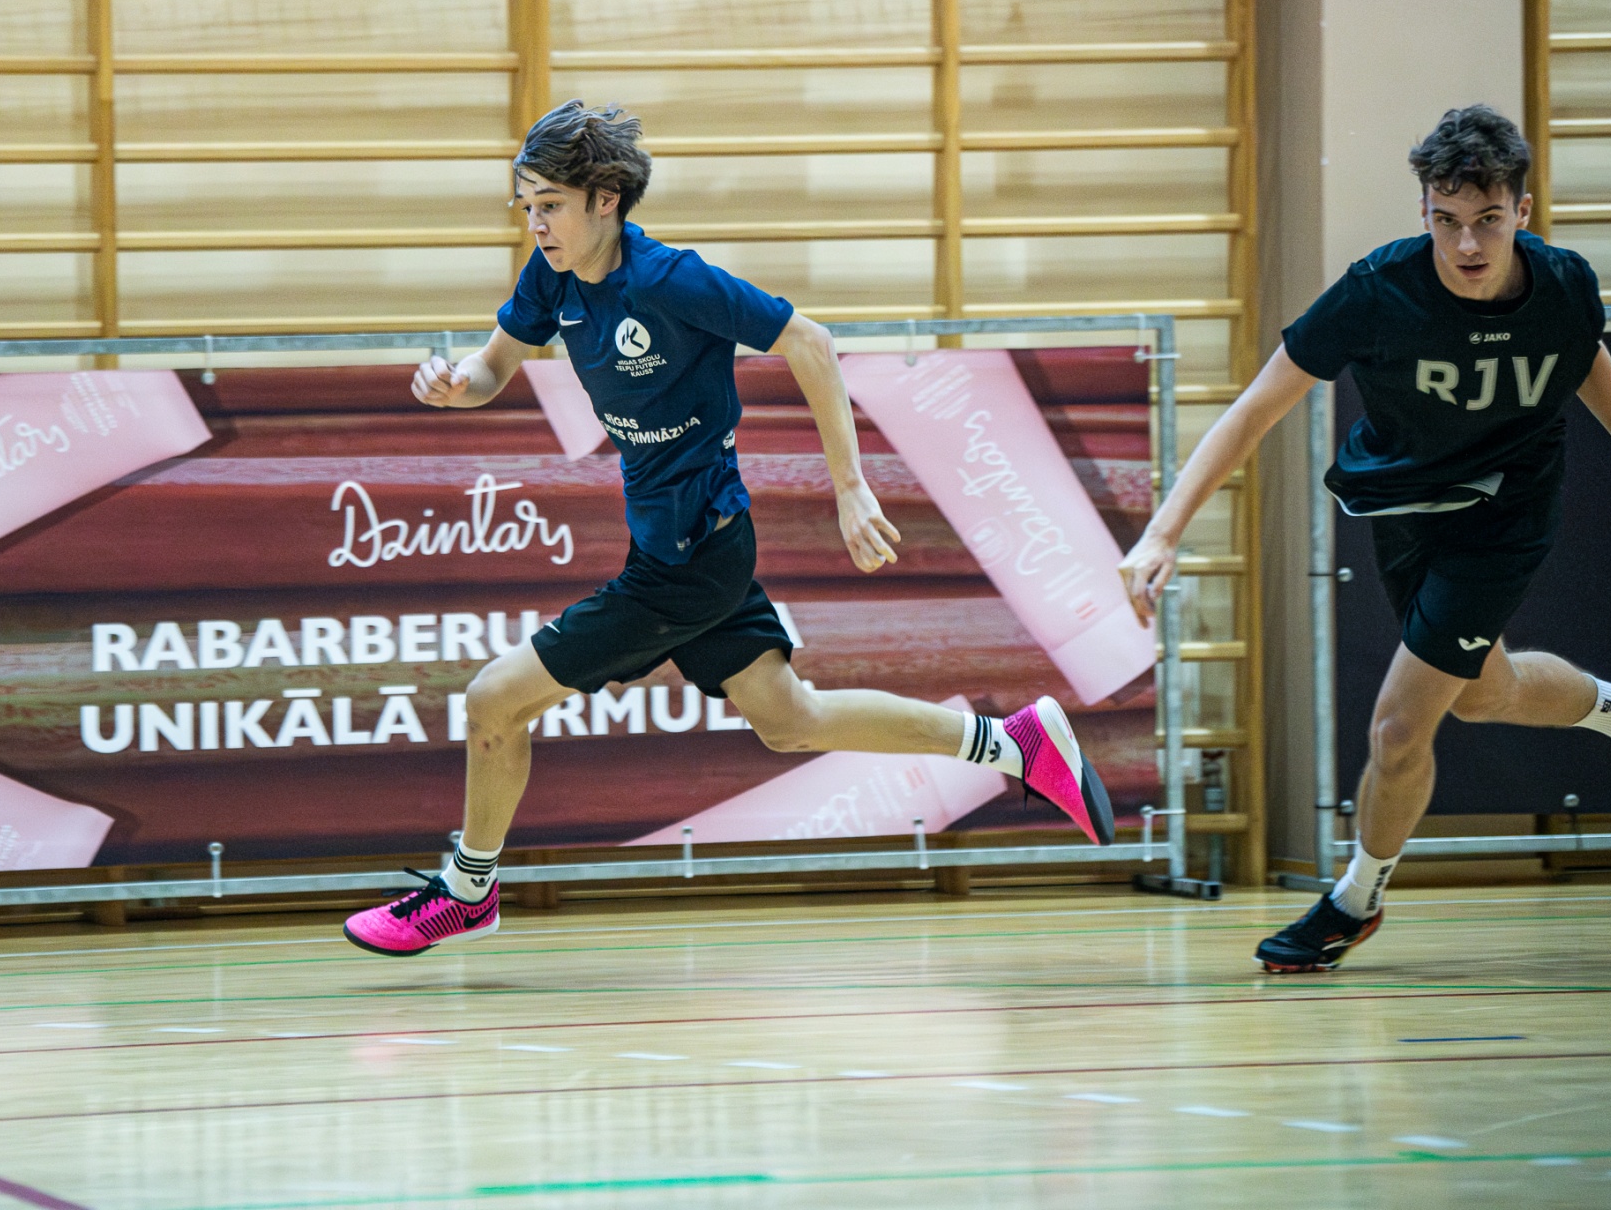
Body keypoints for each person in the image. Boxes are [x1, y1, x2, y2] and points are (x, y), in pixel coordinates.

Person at [342, 100, 1115, 956]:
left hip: (688, 562)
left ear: (606, 199)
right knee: (792, 719)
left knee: (495, 700)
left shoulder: (671, 280)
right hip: (693, 543)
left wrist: (851, 489)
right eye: (526, 206)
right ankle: (1011, 745)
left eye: (550, 205)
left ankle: (467, 891)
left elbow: (810, 342)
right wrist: (458, 383)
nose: (537, 224)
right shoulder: (550, 277)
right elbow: (495, 366)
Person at [1118, 105, 1611, 974]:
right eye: (1447, 221)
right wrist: (1163, 531)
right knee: (1482, 693)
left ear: (1522, 211)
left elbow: (1581, 347)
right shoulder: (1378, 291)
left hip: (1505, 514)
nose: (1467, 245)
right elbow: (1254, 409)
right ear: (1424, 212)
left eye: (1488, 220)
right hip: (1403, 508)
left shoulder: (1563, 282)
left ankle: (1354, 900)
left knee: (1400, 729)